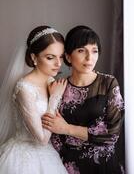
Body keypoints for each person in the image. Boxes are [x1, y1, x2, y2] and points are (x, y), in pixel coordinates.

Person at [42, 25, 125, 174]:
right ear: (68, 56)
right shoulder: (57, 87)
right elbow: (52, 133)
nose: (89, 58)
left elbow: (112, 134)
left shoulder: (108, 83)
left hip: (103, 166)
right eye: (81, 51)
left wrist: (67, 129)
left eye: (94, 51)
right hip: (68, 168)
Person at [0, 25, 68, 174]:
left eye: (61, 56)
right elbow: (42, 139)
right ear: (33, 57)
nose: (58, 63)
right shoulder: (24, 88)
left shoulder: (52, 82)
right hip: (23, 159)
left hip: (49, 157)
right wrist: (54, 98)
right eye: (50, 57)